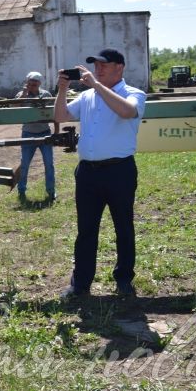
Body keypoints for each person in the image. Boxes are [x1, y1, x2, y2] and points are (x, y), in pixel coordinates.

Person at [54, 48, 146, 299]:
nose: (98, 69)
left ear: (120, 67)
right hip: (88, 173)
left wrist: (95, 85)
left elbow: (127, 111)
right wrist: (62, 89)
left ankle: (124, 280)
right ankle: (80, 284)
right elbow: (60, 116)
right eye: (96, 65)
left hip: (119, 171)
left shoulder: (133, 93)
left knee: (123, 228)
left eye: (104, 65)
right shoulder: (88, 96)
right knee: (86, 230)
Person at [15, 71, 55, 203]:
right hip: (27, 133)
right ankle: (21, 190)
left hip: (44, 132)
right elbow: (14, 108)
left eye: (35, 84)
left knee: (49, 164)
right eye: (30, 83)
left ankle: (51, 191)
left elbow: (53, 113)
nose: (32, 86)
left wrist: (57, 132)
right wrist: (25, 94)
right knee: (25, 164)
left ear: (39, 84)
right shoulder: (21, 95)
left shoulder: (46, 95)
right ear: (27, 83)